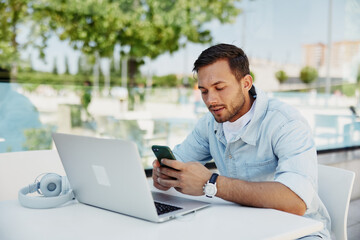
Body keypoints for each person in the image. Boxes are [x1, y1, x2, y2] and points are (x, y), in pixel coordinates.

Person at [152, 44, 330, 239]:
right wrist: (165, 173)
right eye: (204, 91)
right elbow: (178, 161)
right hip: (242, 226)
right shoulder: (209, 124)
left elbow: (295, 201)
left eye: (219, 88)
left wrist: (210, 183)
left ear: (246, 83)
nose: (211, 100)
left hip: (301, 232)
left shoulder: (286, 123)